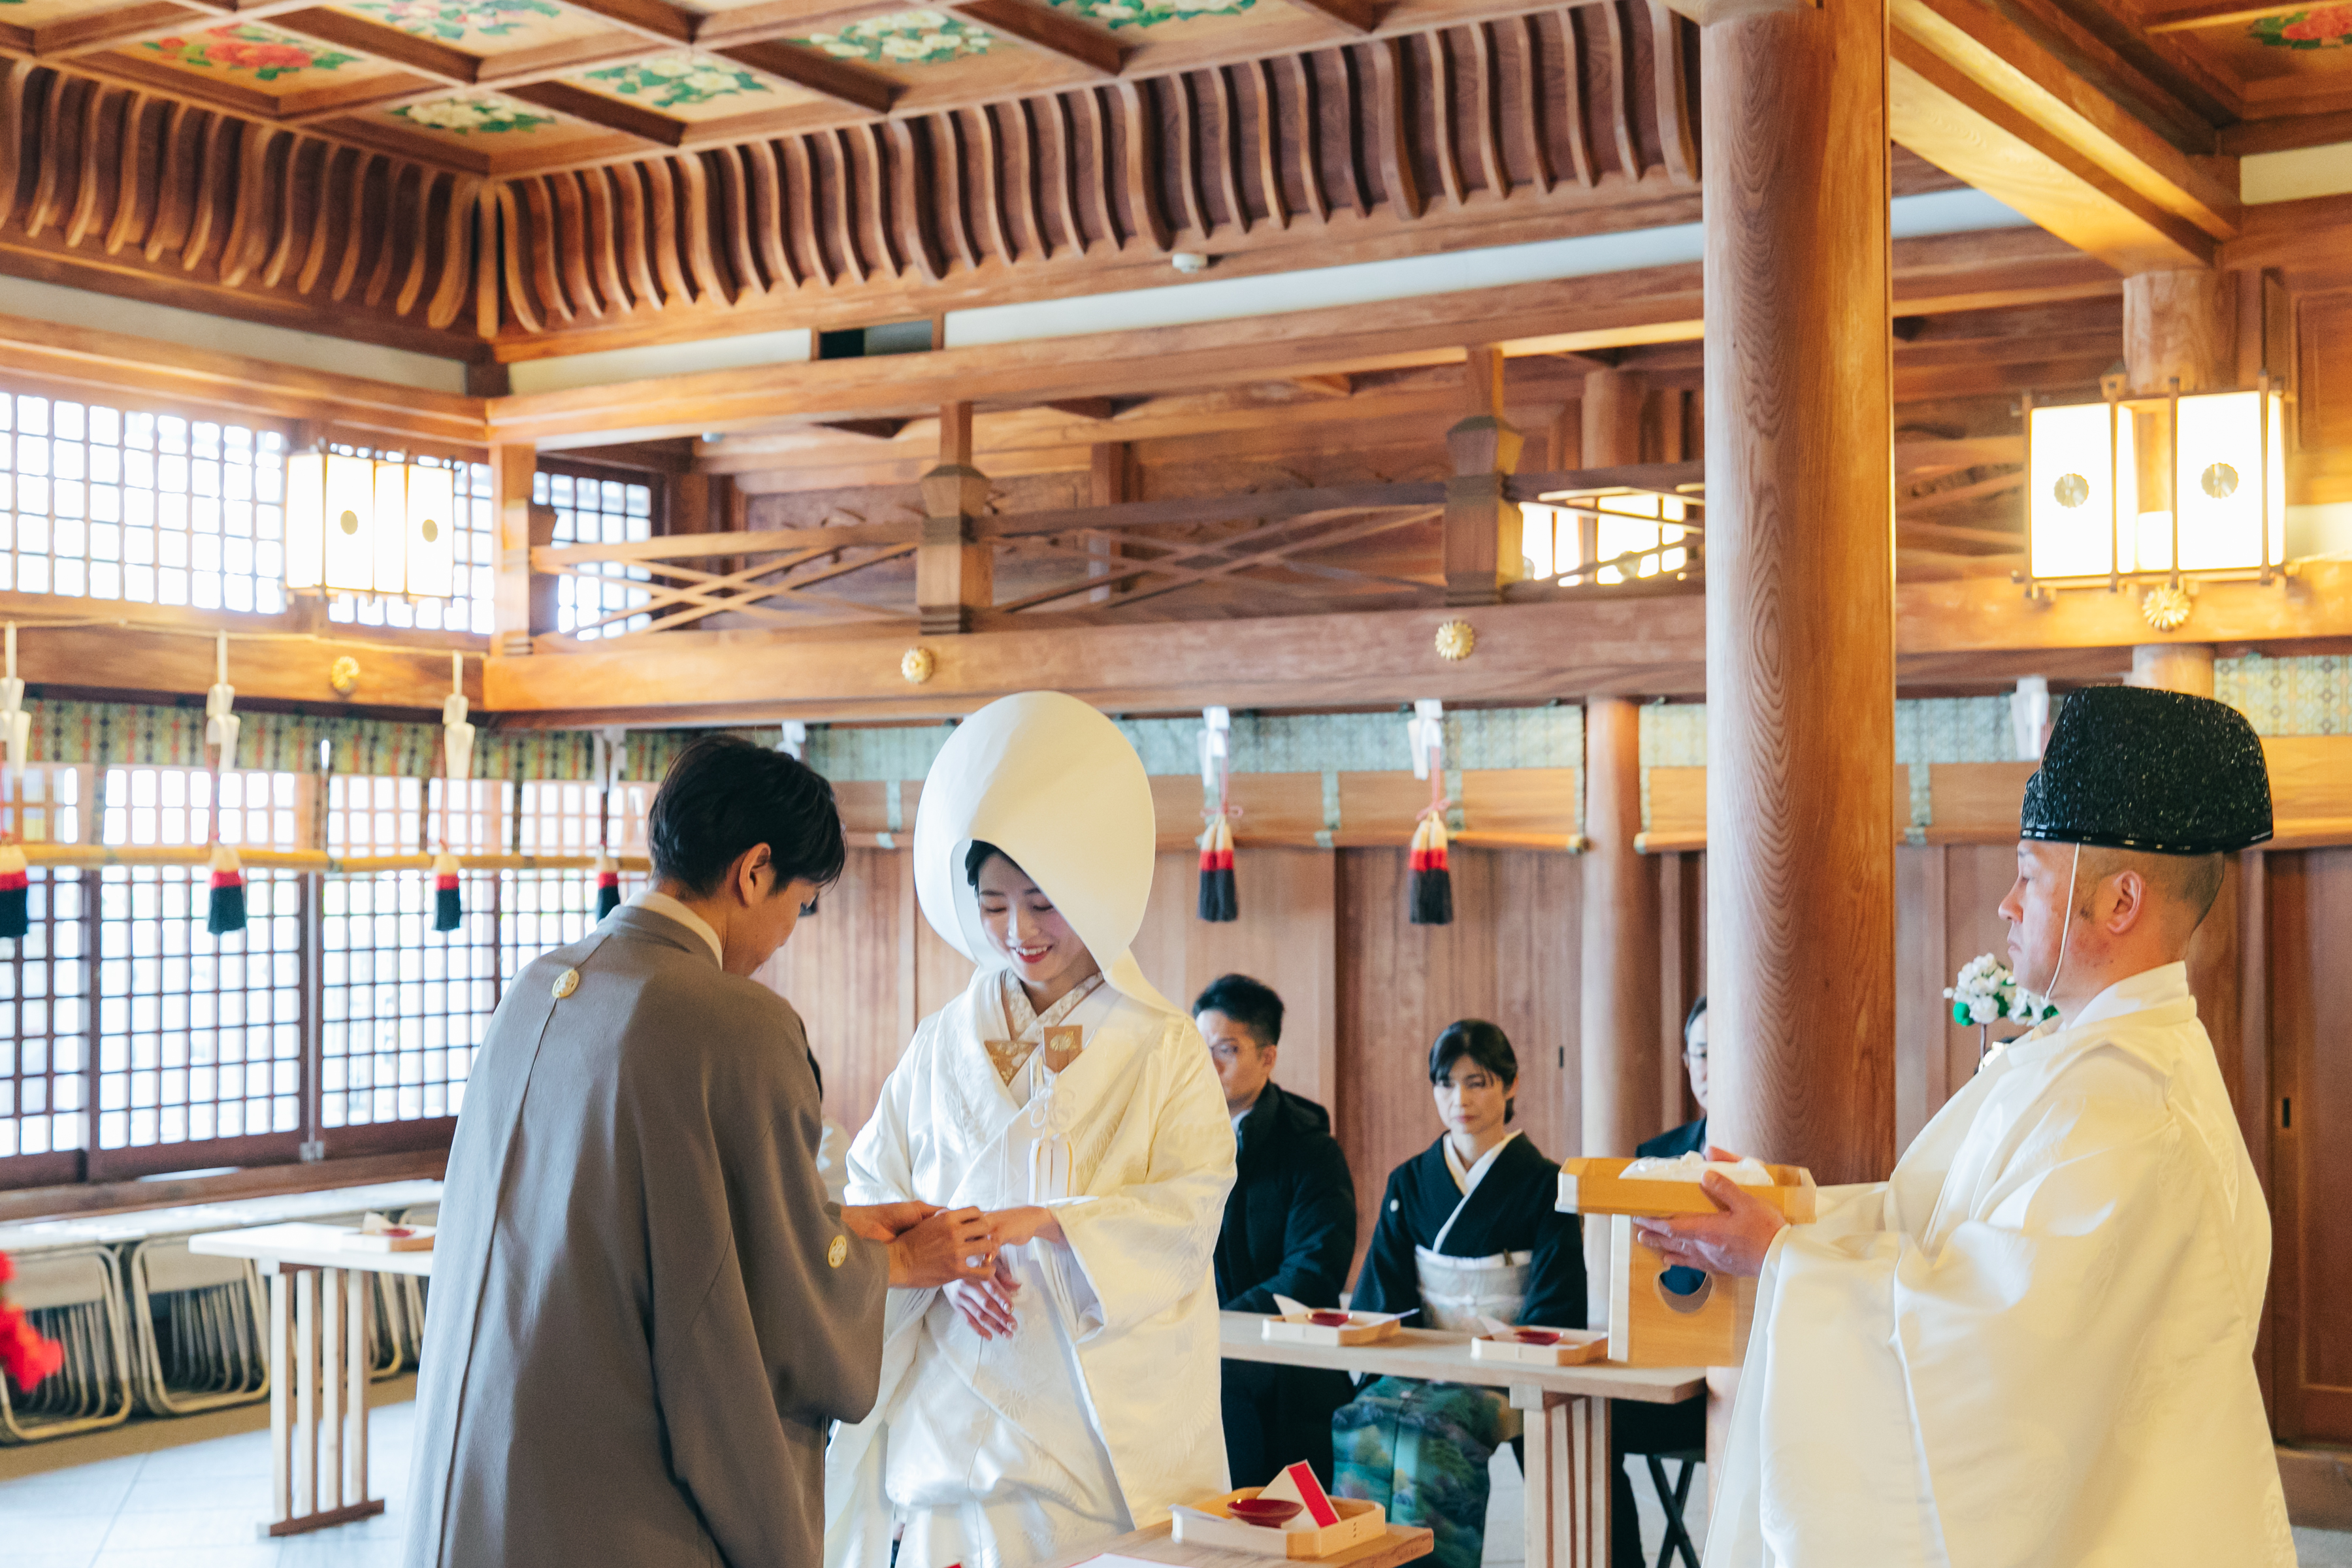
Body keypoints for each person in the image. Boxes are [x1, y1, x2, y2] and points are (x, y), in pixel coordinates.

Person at [1642, 685, 2295, 1567]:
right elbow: (1946, 1231)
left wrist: (1785, 1260)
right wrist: (1796, 1221)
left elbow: (1991, 1348)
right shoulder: (2080, 1064)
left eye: (2031, 875)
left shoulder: (2129, 1106)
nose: (2007, 905)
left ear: (2120, 903)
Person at [405, 736, 996, 1568]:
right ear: (755, 872)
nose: (791, 930)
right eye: (801, 902)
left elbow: (663, 1228)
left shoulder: (543, 985)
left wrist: (840, 1230)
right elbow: (774, 1298)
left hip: (488, 1468)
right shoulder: (734, 1022)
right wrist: (896, 1263)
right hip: (617, 1495)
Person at [826, 691, 1237, 1568]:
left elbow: (1192, 1208)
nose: (1019, 933)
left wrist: (1051, 1223)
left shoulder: (1164, 1047)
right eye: (995, 903)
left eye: (1044, 903)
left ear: (1091, 890)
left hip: (1090, 1420)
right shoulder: (942, 1041)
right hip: (953, 1395)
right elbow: (870, 1187)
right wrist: (937, 1260)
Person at [1336, 1020, 1586, 1568]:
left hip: (1504, 1372)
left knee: (1432, 1434)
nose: (1459, 1099)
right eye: (1445, 1084)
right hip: (1422, 1362)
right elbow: (1384, 1295)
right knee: (1360, 1418)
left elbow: (1557, 1305)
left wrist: (1489, 1360)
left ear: (1511, 1085)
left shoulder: (1548, 1186)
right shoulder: (1410, 1182)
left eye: (1477, 1082)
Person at [1196, 973, 1356, 1488]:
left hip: (1281, 1351)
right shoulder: (1178, 1141)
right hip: (1197, 1336)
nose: (1208, 1065)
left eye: (1226, 1049)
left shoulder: (1311, 1150)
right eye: (1198, 1049)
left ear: (1267, 1058)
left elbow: (1312, 1272)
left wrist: (1216, 1324)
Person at [1638, 995, 1708, 1160]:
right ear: (1687, 1061)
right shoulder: (1654, 1156)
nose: (1715, 1071)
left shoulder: (1775, 1148)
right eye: (1704, 1054)